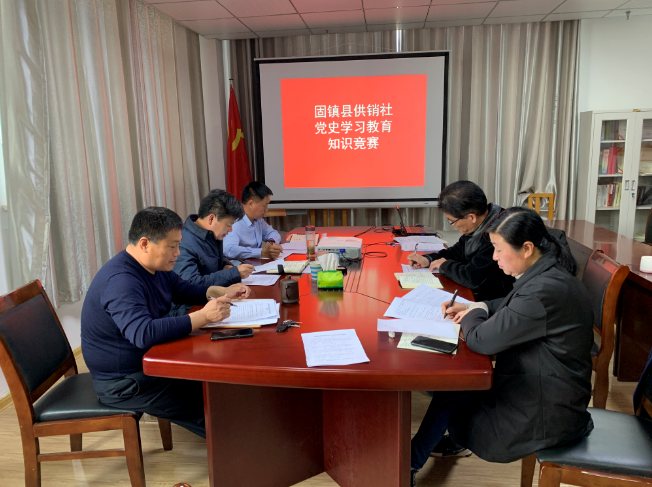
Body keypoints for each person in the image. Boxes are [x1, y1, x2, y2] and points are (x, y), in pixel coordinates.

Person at [409, 207, 594, 487]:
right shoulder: (548, 274)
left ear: (527, 248)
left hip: (545, 411)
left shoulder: (542, 291)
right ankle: (411, 462)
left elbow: (481, 340)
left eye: (498, 249)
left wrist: (471, 313)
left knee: (453, 395)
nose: (494, 257)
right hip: (546, 387)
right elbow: (510, 303)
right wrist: (478, 306)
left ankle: (410, 462)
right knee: (451, 392)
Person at [81, 207, 251, 439]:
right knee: (213, 405)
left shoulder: (153, 265)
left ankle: (242, 436)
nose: (178, 253)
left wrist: (218, 291)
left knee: (220, 385)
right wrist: (203, 317)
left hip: (152, 360)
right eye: (172, 246)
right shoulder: (121, 281)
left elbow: (182, 289)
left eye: (178, 245)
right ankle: (240, 447)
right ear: (145, 244)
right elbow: (142, 333)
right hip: (125, 382)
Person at [407, 181, 514, 301]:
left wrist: (445, 265)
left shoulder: (497, 234)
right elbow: (457, 252)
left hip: (495, 300)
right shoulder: (482, 220)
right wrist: (429, 259)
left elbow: (472, 278)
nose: (452, 225)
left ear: (471, 217)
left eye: (452, 221)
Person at [170, 189, 255, 316]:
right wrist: (233, 273)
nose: (231, 230)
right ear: (211, 219)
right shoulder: (183, 243)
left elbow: (213, 259)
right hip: (190, 310)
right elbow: (191, 285)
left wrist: (226, 265)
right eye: (229, 225)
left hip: (212, 302)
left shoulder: (210, 234)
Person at [223, 181, 283, 262]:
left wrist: (271, 243)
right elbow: (229, 249)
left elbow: (273, 232)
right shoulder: (234, 222)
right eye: (264, 205)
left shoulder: (258, 220)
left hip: (256, 264)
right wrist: (261, 252)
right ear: (251, 203)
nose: (266, 209)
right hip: (240, 266)